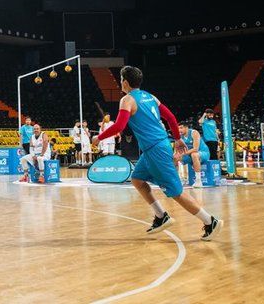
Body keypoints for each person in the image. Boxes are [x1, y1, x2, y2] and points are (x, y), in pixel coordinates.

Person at [93, 66, 223, 241]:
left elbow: (119, 126)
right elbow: (170, 117)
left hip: (156, 149)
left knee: (176, 191)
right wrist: (177, 138)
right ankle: (161, 216)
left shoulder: (127, 100)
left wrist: (99, 137)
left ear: (124, 82)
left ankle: (210, 222)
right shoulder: (151, 97)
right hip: (152, 149)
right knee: (137, 180)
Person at [176, 121, 208, 188]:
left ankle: (198, 181)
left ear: (186, 128)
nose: (179, 130)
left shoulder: (194, 132)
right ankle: (176, 180)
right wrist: (177, 155)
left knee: (194, 154)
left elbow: (195, 149)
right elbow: (178, 150)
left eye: (181, 128)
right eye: (178, 128)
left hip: (203, 152)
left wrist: (182, 154)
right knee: (174, 157)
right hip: (189, 154)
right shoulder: (179, 136)